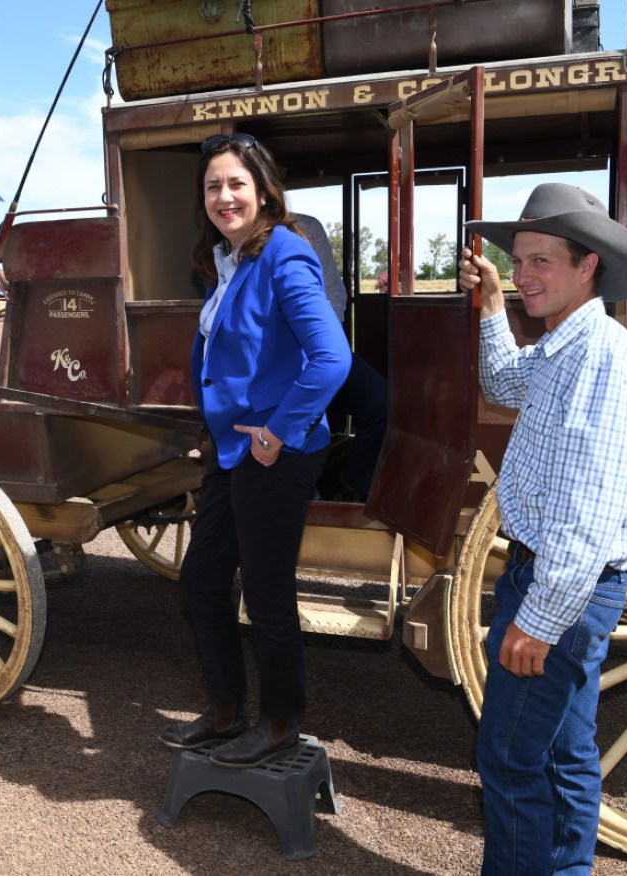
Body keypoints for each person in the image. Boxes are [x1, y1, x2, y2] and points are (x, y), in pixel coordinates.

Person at [457, 183, 627, 875]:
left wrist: (538, 619)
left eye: (541, 261)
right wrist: (490, 306)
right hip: (564, 582)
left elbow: (589, 514)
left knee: (509, 759)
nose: (523, 276)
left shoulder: (599, 358)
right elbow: (502, 385)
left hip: (560, 588)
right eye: (517, 262)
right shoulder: (561, 347)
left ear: (587, 266)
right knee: (564, 750)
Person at [158, 134, 350, 767]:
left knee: (266, 592)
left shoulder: (285, 255)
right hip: (235, 451)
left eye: (236, 184)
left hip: (276, 451)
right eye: (213, 187)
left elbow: (332, 358)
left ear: (264, 190)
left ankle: (278, 723)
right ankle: (223, 710)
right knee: (203, 577)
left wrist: (277, 432)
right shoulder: (232, 260)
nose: (224, 196)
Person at [292, 213, 388, 501]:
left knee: (382, 402)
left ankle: (357, 486)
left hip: (318, 348)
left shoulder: (306, 227)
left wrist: (321, 346)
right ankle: (306, 493)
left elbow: (333, 292)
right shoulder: (228, 239)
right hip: (278, 360)